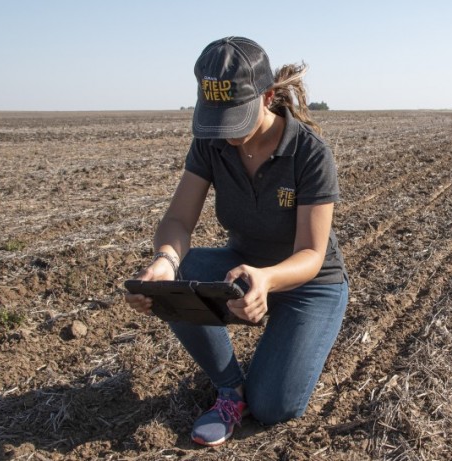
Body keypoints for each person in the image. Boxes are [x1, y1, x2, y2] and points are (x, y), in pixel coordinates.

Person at [124, 36, 348, 447]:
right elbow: (178, 220)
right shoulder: (211, 143)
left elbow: (312, 253)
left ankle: (288, 349)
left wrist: (267, 279)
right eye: (216, 118)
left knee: (273, 406)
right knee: (179, 277)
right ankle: (230, 388)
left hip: (310, 285)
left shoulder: (309, 153)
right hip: (242, 269)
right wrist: (164, 261)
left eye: (235, 118)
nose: (225, 132)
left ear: (267, 97)